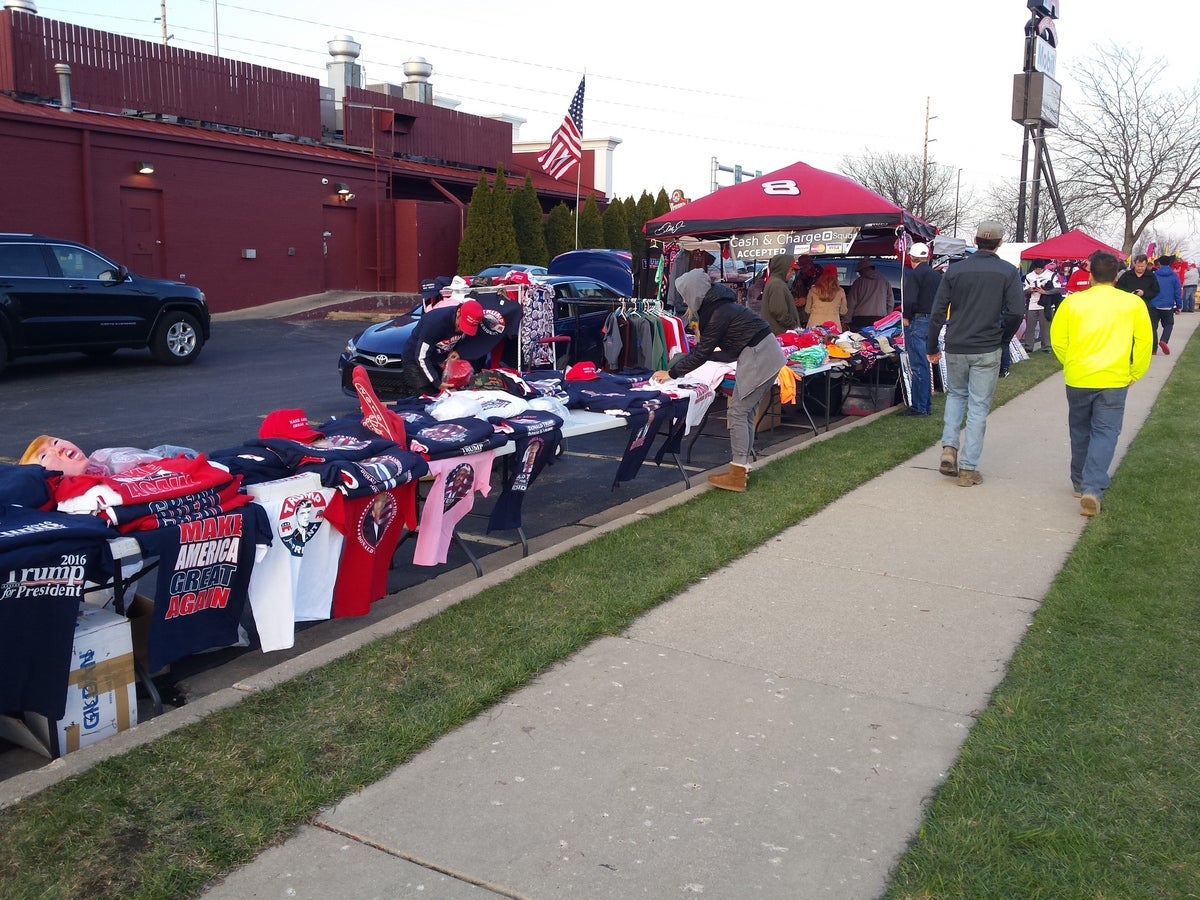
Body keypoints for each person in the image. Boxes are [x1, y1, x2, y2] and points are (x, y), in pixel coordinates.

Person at [651, 269, 785, 493]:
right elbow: (722, 350)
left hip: (759, 356)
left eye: (685, 295)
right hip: (766, 353)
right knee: (746, 412)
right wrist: (695, 360)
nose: (684, 300)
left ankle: (737, 474)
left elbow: (702, 353)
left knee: (738, 412)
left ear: (694, 292)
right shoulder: (721, 306)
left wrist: (672, 373)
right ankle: (742, 467)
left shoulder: (716, 313)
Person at [1050, 251, 1153, 517]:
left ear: (1091, 275)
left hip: (1079, 376)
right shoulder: (1132, 303)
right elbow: (1145, 341)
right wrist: (1135, 372)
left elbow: (1058, 339)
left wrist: (1070, 362)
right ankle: (1092, 487)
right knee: (1105, 432)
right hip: (1114, 378)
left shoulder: (1073, 303)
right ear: (1117, 276)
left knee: (1080, 429)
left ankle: (1079, 481)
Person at [926, 220, 1025, 486]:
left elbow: (938, 311)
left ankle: (949, 447)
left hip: (957, 343)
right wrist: (1003, 339)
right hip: (987, 346)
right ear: (1000, 243)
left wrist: (932, 345)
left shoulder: (955, 270)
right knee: (978, 406)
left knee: (956, 396)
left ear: (975, 239)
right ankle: (968, 468)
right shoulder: (1008, 272)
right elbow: (1016, 312)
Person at [399, 298, 485, 396]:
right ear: (458, 313)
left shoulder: (469, 320)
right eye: (461, 325)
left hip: (438, 360)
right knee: (426, 396)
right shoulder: (435, 323)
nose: (461, 330)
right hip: (416, 360)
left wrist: (458, 351)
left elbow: (467, 341)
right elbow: (421, 357)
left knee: (447, 395)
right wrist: (437, 382)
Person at [900, 242, 942, 416]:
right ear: (927, 257)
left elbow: (910, 300)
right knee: (925, 363)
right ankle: (925, 404)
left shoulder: (915, 275)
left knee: (918, 365)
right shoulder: (936, 275)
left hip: (918, 320)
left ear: (912, 257)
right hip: (931, 320)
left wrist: (906, 316)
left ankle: (919, 407)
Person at [845, 259, 893, 331]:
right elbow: (890, 302)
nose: (859, 274)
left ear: (863, 269)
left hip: (860, 318)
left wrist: (846, 321)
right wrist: (887, 318)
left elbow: (851, 303)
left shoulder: (858, 282)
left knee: (860, 337)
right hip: (879, 318)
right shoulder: (884, 281)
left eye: (859, 271)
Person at [759, 253, 800, 334]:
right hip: (780, 333)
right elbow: (779, 312)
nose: (793, 273)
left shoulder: (776, 282)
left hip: (778, 332)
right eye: (791, 269)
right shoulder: (777, 284)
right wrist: (794, 326)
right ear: (783, 269)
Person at [1021, 259, 1057, 352]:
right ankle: (1028, 346)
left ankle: (1046, 346)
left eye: (1040, 269)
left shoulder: (1050, 275)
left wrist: (1045, 292)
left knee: (1045, 327)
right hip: (1032, 304)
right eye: (1036, 269)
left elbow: (1058, 288)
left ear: (1043, 268)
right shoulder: (1029, 276)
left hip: (1045, 304)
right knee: (1030, 326)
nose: (1038, 270)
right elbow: (1024, 290)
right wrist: (1030, 290)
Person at [1150, 254, 1182, 354]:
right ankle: (1164, 340)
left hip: (1154, 304)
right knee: (1169, 324)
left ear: (1159, 263)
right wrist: (1179, 306)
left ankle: (1153, 349)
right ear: (1170, 263)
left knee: (1153, 326)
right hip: (1168, 305)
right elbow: (1177, 292)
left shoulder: (1154, 275)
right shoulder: (1174, 276)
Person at [804, 264, 848, 332]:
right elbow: (843, 311)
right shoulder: (840, 291)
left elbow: (807, 310)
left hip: (814, 324)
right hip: (833, 326)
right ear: (836, 276)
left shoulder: (813, 290)